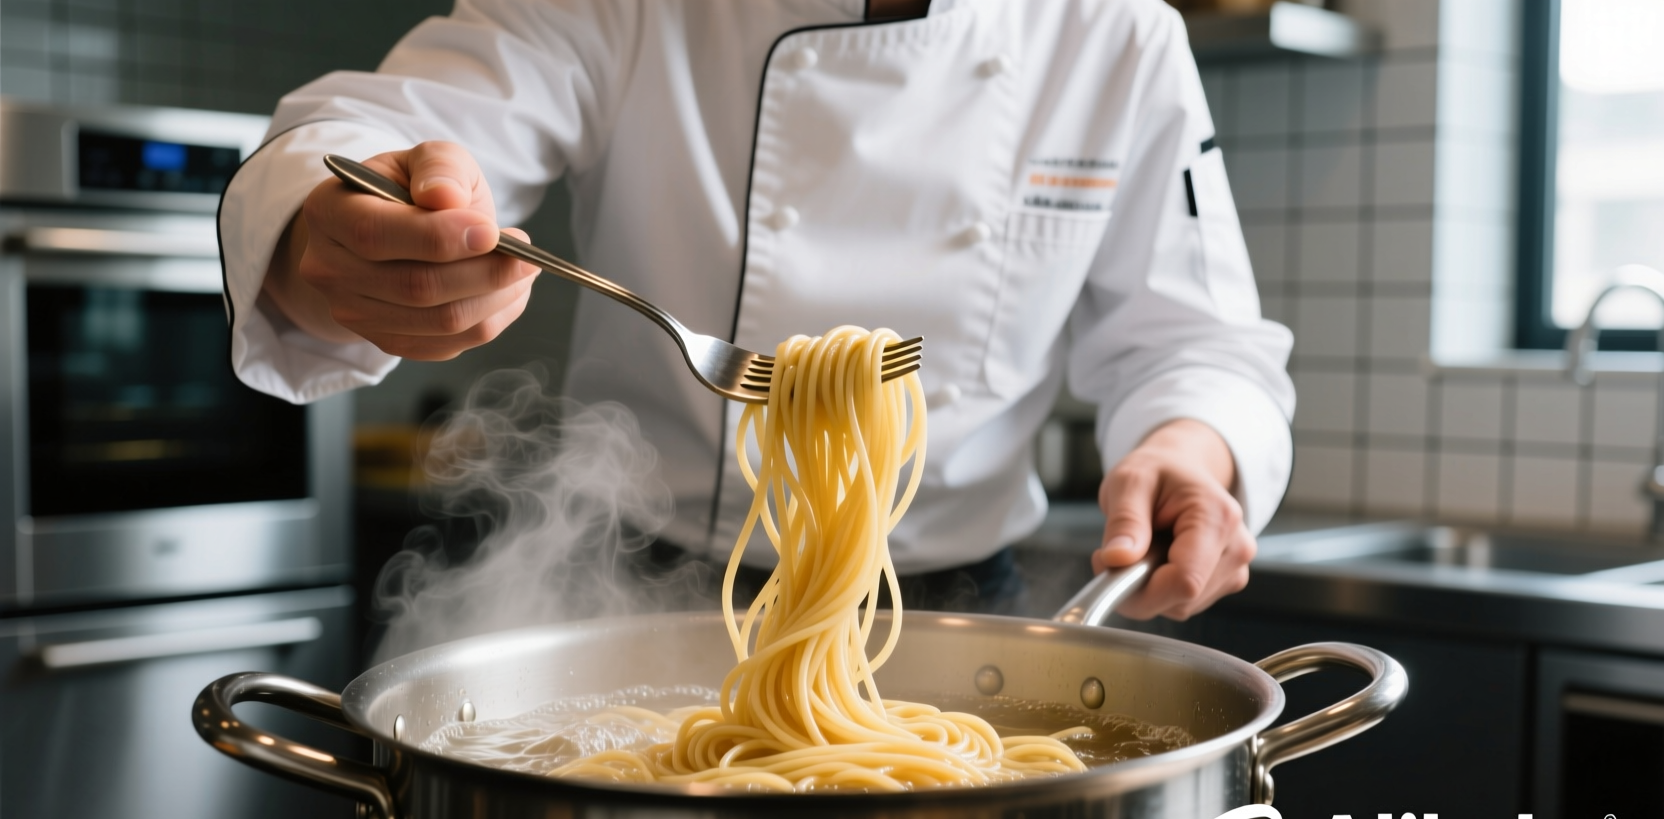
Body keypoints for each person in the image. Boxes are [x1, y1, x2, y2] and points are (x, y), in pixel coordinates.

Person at [219, 0, 1295, 620]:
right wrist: (327, 225)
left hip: (960, 609)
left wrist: (1192, 450)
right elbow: (386, 124)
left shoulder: (1113, 30)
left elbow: (1194, 339)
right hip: (644, 594)